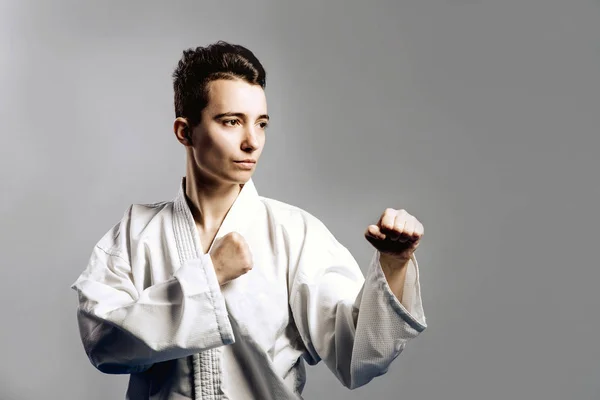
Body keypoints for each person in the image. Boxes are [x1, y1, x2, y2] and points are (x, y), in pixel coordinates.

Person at [70, 41, 427, 400]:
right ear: (185, 132)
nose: (252, 142)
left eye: (261, 123)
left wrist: (394, 265)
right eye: (231, 122)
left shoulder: (294, 234)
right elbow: (105, 345)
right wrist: (209, 276)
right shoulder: (136, 233)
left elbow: (358, 358)